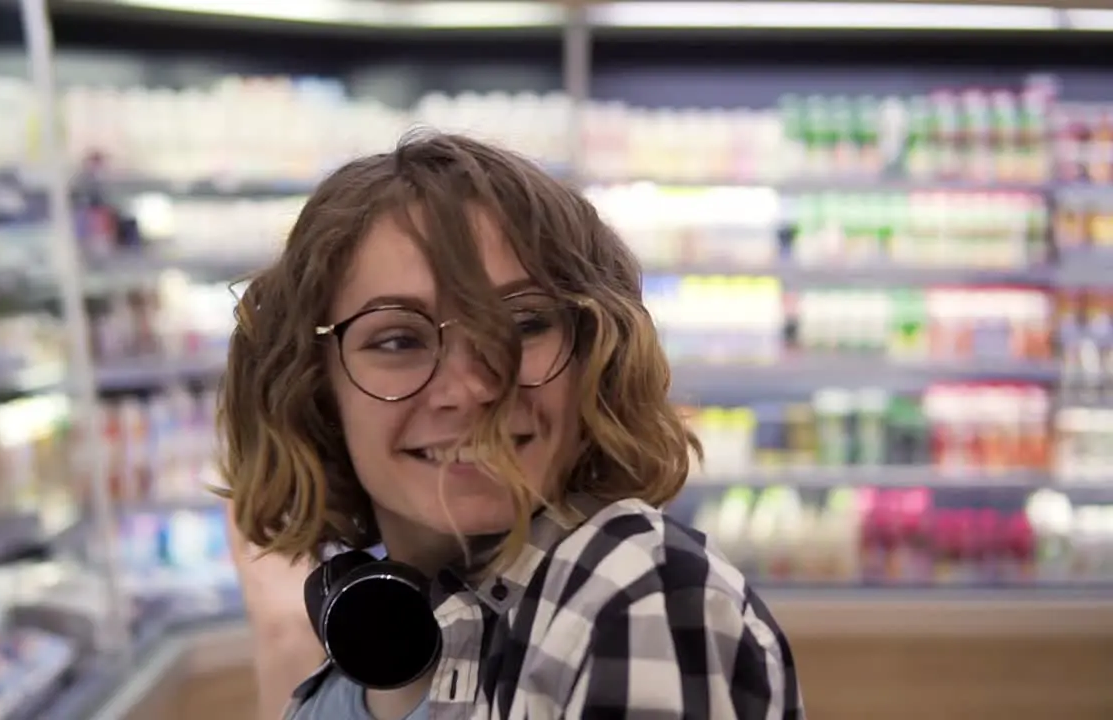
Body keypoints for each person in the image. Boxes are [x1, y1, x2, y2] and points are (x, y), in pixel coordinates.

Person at [218, 131, 805, 720]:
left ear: (596, 355)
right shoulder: (360, 668)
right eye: (399, 339)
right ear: (315, 392)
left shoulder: (629, 584)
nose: (472, 387)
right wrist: (282, 637)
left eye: (524, 325)